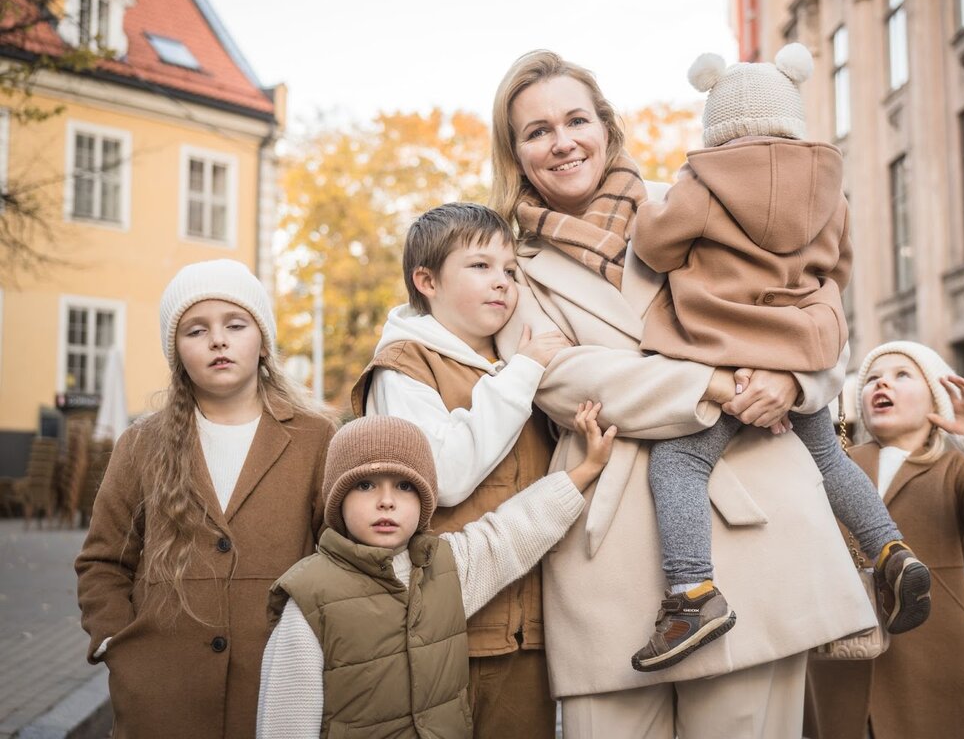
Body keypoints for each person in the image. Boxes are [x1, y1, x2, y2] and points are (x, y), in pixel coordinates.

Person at [488, 49, 877, 738]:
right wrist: (718, 385)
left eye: (577, 119)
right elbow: (560, 378)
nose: (562, 141)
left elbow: (818, 313)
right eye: (537, 131)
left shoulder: (699, 206)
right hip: (604, 553)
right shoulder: (511, 268)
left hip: (756, 525)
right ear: (516, 154)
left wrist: (793, 379)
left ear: (606, 127)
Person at [628, 45, 931, 672]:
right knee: (828, 457)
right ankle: (891, 551)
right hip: (797, 355)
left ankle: (692, 596)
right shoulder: (832, 191)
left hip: (722, 354)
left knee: (679, 462)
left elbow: (655, 249)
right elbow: (837, 272)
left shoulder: (702, 183)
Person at [75, 259, 336, 739]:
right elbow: (103, 563)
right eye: (196, 330)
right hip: (161, 700)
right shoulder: (141, 444)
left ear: (262, 342)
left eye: (235, 325)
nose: (218, 340)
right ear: (176, 351)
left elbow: (336, 560)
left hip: (277, 692)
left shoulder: (316, 439)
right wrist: (119, 644)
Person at [256, 406, 616, 738]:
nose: (387, 500)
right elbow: (285, 721)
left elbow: (512, 531)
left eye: (405, 485)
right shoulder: (309, 596)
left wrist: (586, 469)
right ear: (338, 499)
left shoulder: (445, 567)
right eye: (365, 485)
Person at [348, 202, 570, 738]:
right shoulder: (405, 367)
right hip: (445, 632)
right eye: (480, 266)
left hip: (527, 631)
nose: (502, 284)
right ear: (426, 280)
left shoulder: (505, 367)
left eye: (510, 270)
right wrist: (525, 372)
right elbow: (443, 474)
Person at [804, 341, 964, 739]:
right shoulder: (839, 465)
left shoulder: (953, 469)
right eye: (873, 378)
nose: (882, 385)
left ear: (936, 400)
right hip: (842, 655)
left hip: (930, 655)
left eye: (901, 375)